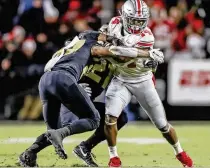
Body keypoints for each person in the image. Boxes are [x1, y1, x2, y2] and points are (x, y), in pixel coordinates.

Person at [18, 30, 163, 167]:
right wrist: (145, 54)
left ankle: (83, 148)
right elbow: (110, 51)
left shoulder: (115, 60)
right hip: (70, 92)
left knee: (118, 118)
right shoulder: (94, 48)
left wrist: (146, 65)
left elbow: (129, 67)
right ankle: (31, 151)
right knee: (66, 127)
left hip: (60, 87)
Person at [103, 0, 193, 167]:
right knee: (110, 117)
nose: (138, 25)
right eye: (134, 20)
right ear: (124, 16)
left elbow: (122, 55)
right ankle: (113, 157)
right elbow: (114, 45)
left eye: (140, 20)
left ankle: (179, 151)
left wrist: (111, 45)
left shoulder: (147, 36)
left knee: (162, 124)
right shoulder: (115, 22)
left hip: (141, 80)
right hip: (121, 79)